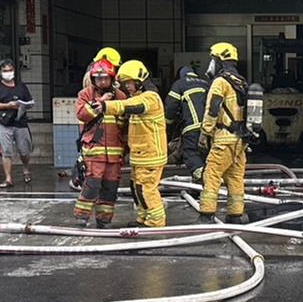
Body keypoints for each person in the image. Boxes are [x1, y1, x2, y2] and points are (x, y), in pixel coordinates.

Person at [93, 59, 168, 228]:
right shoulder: (139, 97)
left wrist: (105, 106)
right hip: (141, 154)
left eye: (129, 82)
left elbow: (129, 106)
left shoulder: (150, 98)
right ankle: (144, 217)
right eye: (125, 83)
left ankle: (156, 221)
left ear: (140, 81)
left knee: (146, 188)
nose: (127, 87)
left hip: (150, 155)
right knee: (137, 188)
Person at [197, 42, 251, 226]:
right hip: (240, 140)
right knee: (235, 177)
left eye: (213, 60)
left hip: (223, 138)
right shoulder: (241, 81)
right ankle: (236, 214)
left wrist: (205, 133)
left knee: (211, 174)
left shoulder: (220, 82)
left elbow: (212, 109)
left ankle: (206, 215)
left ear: (219, 61)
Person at [74, 59, 125, 228]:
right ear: (93, 79)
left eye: (105, 78)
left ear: (112, 78)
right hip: (94, 149)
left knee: (110, 187)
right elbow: (81, 115)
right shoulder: (85, 94)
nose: (102, 81)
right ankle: (82, 216)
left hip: (114, 151)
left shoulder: (120, 96)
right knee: (92, 183)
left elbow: (124, 123)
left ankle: (104, 219)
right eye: (98, 78)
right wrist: (101, 101)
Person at [0, 59, 35, 189]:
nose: (8, 73)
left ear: (14, 70)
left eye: (10, 70)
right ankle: (8, 178)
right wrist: (7, 105)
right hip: (5, 123)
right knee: (6, 151)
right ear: (0, 72)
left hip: (21, 122)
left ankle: (26, 169)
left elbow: (30, 102)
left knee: (24, 151)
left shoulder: (21, 86)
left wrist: (23, 106)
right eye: (5, 71)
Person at [166, 64, 211, 182]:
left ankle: (202, 177)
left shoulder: (180, 84)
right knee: (206, 155)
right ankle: (206, 182)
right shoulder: (206, 84)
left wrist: (168, 122)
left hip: (192, 127)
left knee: (190, 153)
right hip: (210, 128)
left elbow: (171, 106)